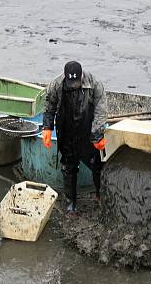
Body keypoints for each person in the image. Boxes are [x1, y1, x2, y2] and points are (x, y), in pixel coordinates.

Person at [41, 61, 107, 215]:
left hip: (87, 129)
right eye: (71, 83)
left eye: (76, 82)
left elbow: (101, 110)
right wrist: (47, 128)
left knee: (97, 163)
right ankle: (71, 203)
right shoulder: (56, 85)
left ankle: (100, 194)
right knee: (69, 167)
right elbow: (49, 106)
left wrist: (97, 134)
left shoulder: (94, 84)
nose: (74, 85)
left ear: (82, 76)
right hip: (67, 129)